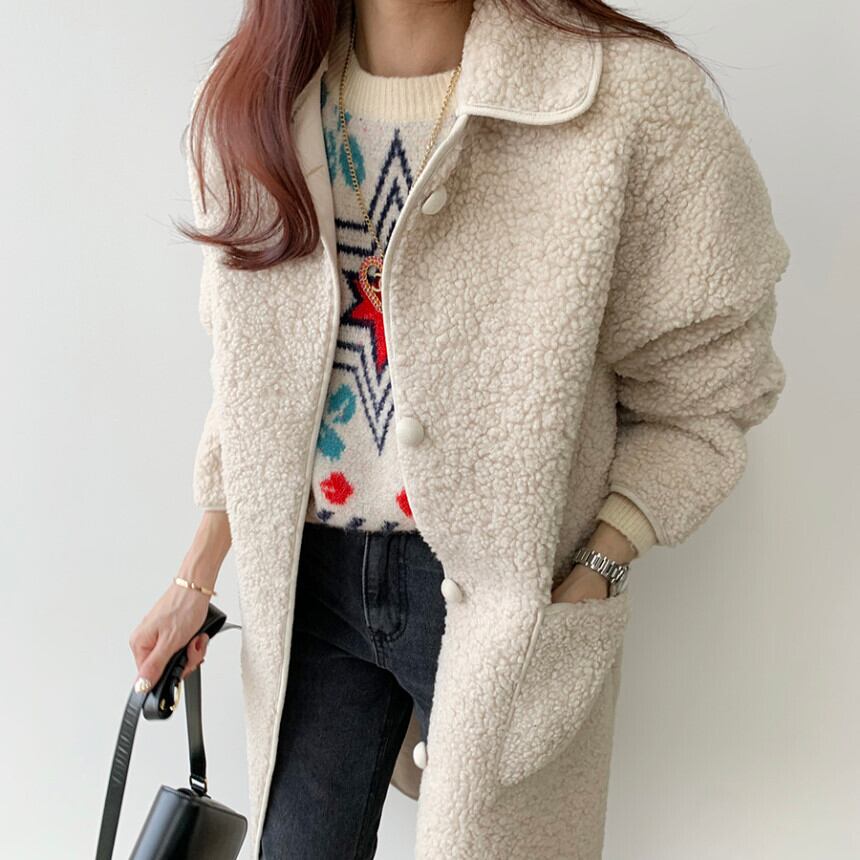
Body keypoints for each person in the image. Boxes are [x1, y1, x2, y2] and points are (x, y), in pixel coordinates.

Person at [128, 0, 790, 857]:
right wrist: (197, 573)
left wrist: (599, 564)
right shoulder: (253, 97)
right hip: (307, 583)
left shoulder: (628, 102)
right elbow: (254, 378)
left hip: (502, 599)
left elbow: (711, 383)